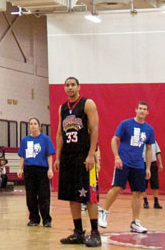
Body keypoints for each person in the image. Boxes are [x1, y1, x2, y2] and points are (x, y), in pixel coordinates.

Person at [58, 76, 102, 247]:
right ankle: (78, 232)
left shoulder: (87, 103)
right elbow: (60, 133)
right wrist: (59, 157)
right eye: (67, 85)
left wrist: (91, 154)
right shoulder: (62, 108)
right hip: (68, 157)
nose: (70, 88)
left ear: (78, 87)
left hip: (84, 156)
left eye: (73, 85)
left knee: (90, 195)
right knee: (71, 195)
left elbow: (94, 129)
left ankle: (95, 233)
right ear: (64, 88)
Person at [100, 101, 155, 234]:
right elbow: (114, 139)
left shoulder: (149, 129)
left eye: (144, 109)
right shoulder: (126, 124)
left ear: (147, 112)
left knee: (138, 193)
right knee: (117, 187)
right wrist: (117, 157)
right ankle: (104, 212)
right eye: (140, 108)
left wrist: (147, 168)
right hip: (123, 162)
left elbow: (148, 149)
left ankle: (135, 222)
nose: (142, 111)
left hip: (138, 165)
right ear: (135, 110)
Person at [19, 117, 57, 227]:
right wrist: (20, 168)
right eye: (31, 124)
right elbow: (22, 155)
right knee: (30, 195)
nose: (33, 125)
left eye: (35, 123)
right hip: (29, 169)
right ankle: (34, 218)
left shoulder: (45, 139)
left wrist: (50, 169)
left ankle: (46, 219)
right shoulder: (25, 140)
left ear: (39, 126)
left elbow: (49, 154)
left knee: (44, 195)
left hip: (41, 169)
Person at [144, 141, 163, 210]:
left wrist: (160, 163)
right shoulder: (140, 141)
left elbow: (158, 152)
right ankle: (145, 201)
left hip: (153, 163)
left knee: (155, 183)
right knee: (143, 184)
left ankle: (156, 201)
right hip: (143, 163)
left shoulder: (153, 141)